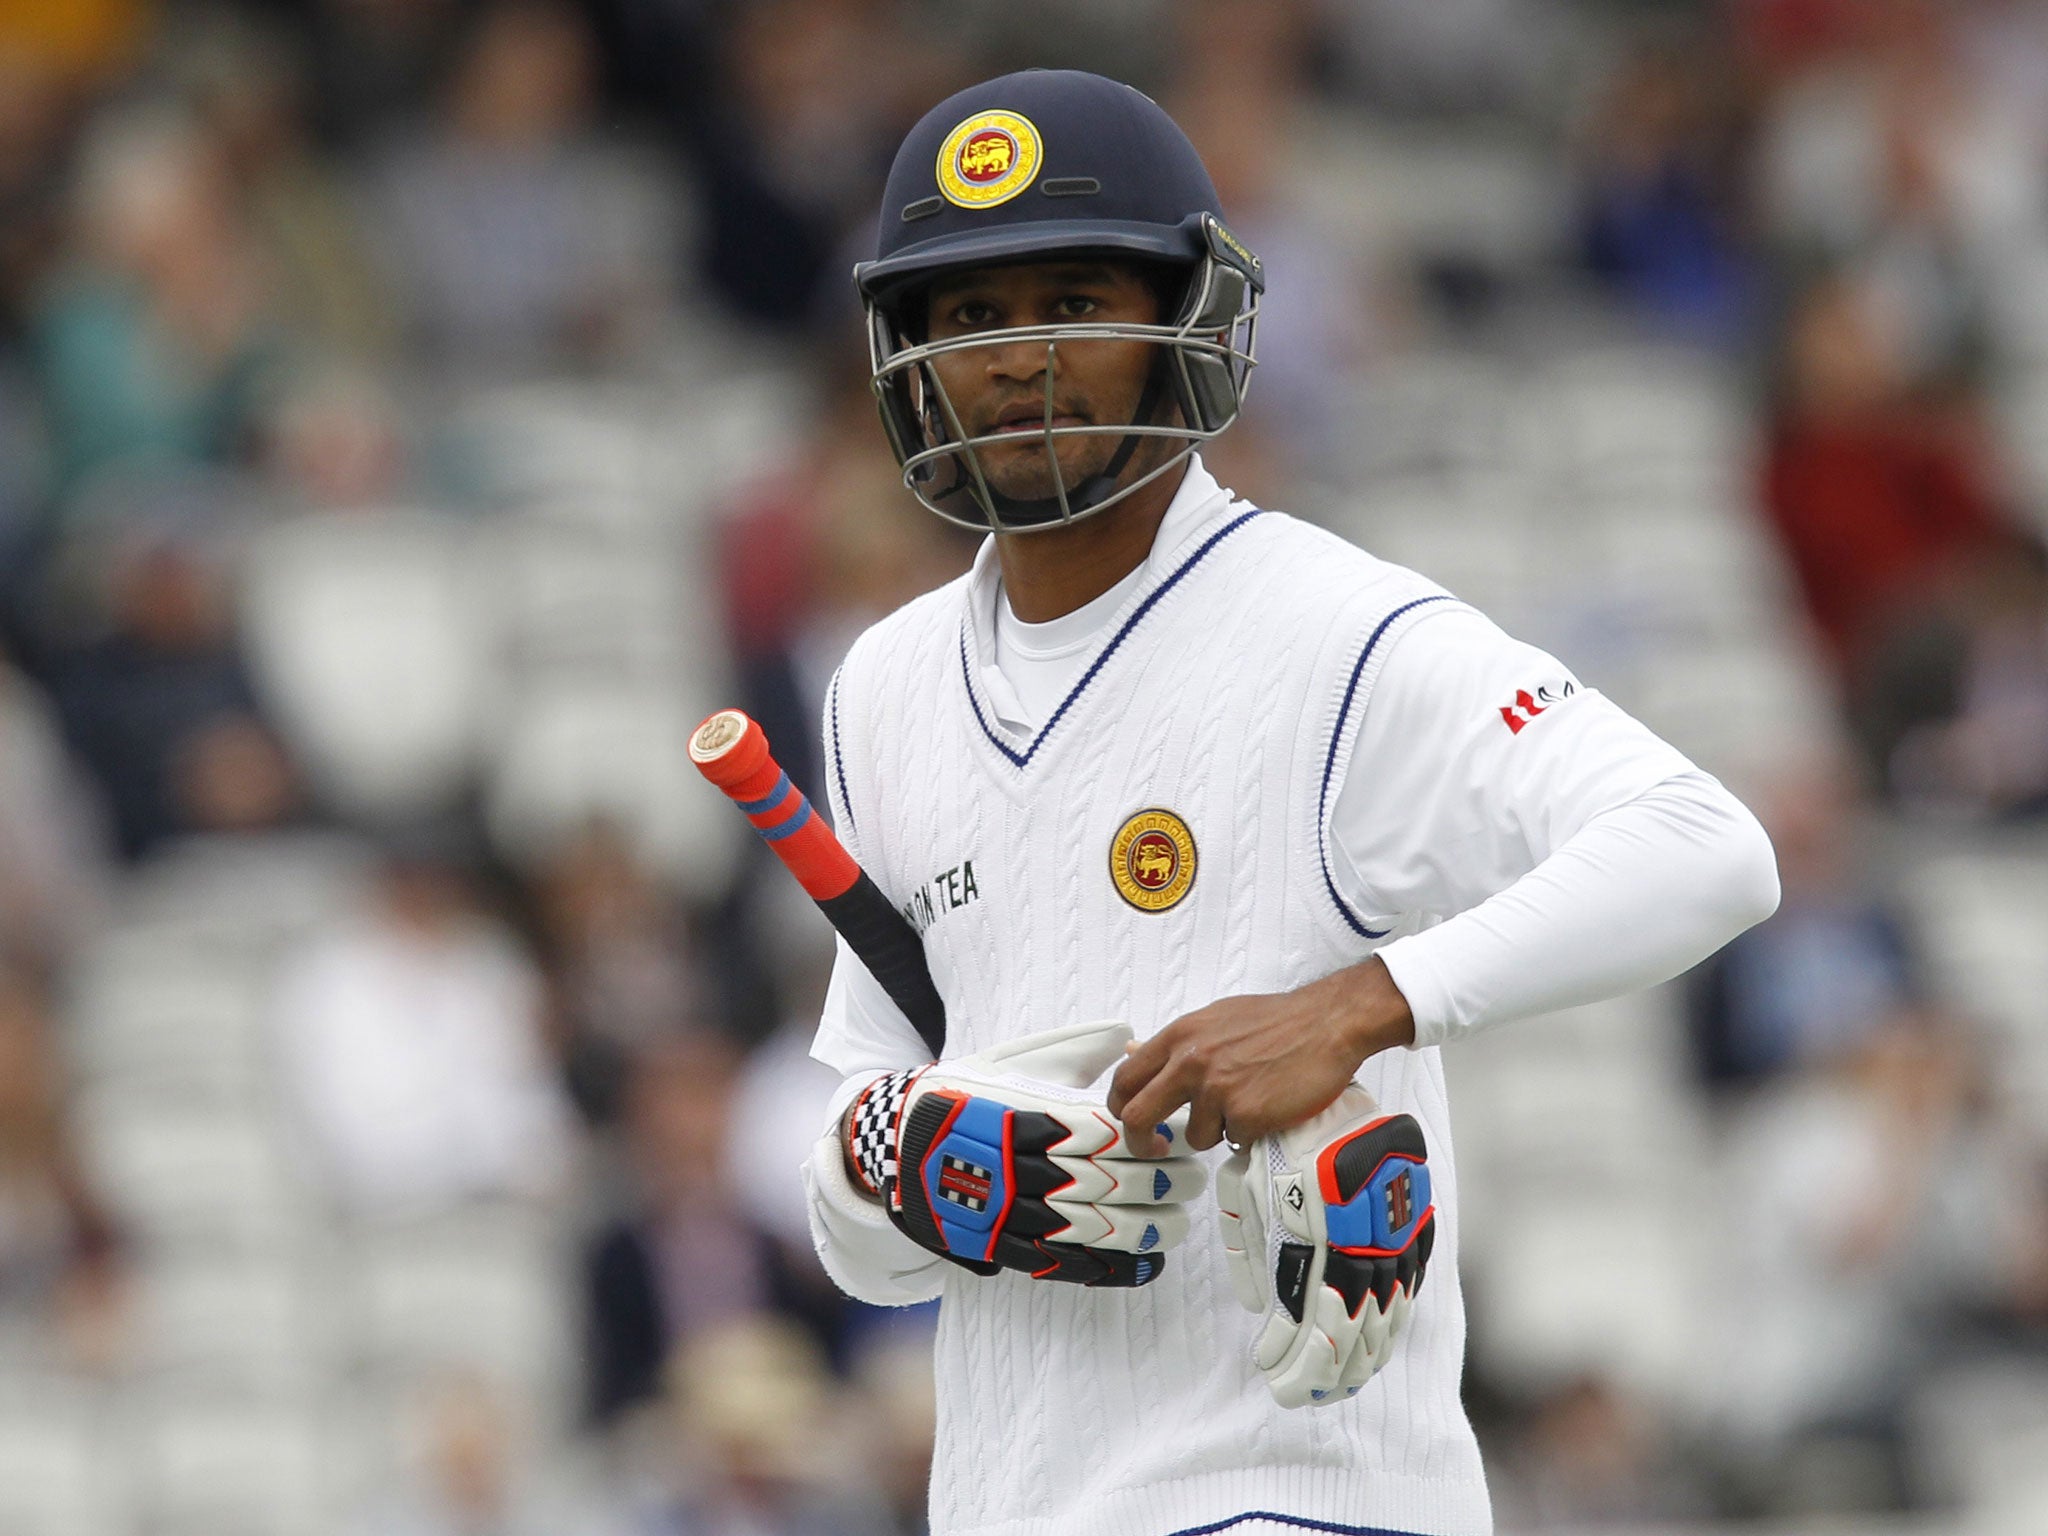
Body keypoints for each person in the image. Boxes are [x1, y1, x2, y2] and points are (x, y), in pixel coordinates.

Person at [798, 70, 1780, 1536]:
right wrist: (903, 1161)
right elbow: (862, 1236)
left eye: (1073, 297)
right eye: (967, 315)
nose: (1015, 358)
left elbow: (1708, 850)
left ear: (1188, 316)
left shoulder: (1336, 631)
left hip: (1304, 1496)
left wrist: (1355, 1010)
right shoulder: (882, 689)